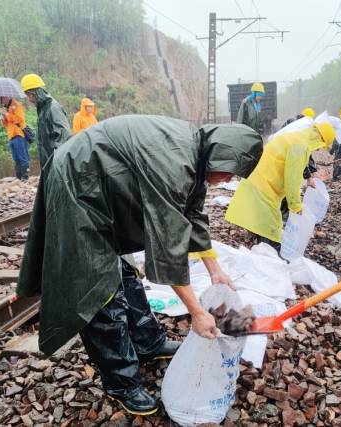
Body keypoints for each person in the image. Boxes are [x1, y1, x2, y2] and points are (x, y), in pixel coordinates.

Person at [17, 115, 263, 416]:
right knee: (94, 283)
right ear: (219, 154)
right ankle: (120, 382)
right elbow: (169, 242)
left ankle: (147, 343)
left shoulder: (197, 155)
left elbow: (193, 216)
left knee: (124, 273)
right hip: (78, 181)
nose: (228, 180)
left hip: (100, 182)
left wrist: (215, 270)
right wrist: (197, 313)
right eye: (229, 172)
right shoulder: (176, 164)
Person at [225, 119, 337, 251]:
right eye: (321, 147)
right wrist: (296, 206)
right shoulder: (301, 145)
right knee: (270, 236)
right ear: (319, 140)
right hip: (264, 188)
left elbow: (294, 166)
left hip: (256, 182)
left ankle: (259, 253)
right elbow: (292, 180)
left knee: (261, 227)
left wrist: (308, 177)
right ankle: (266, 263)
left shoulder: (296, 137)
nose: (318, 149)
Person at [20, 74, 71, 168]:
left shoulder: (53, 108)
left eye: (27, 95)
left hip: (56, 165)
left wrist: (57, 165)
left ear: (32, 93)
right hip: (48, 164)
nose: (27, 99)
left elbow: (64, 136)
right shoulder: (43, 109)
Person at [0, 96, 30, 181]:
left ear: (5, 97)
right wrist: (2, 118)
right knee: (16, 158)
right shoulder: (6, 108)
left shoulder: (17, 105)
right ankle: (19, 177)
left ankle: (25, 176)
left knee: (22, 156)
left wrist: (6, 114)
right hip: (11, 136)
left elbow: (19, 119)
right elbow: (5, 124)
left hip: (19, 134)